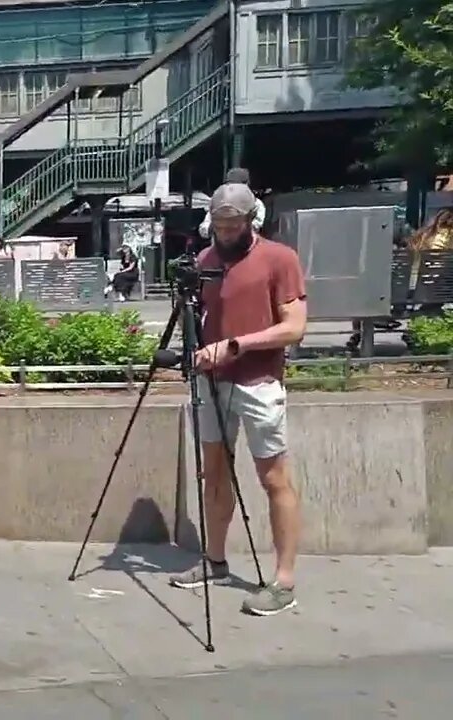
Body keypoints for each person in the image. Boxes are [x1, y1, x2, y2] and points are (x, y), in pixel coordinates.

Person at [168, 183, 307, 617]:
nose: (226, 234)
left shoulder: (279, 258)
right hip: (213, 382)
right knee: (214, 475)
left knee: (273, 479)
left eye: (234, 226)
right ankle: (215, 561)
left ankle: (284, 581)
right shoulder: (206, 261)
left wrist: (235, 346)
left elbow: (294, 327)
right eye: (220, 226)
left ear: (252, 221)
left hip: (259, 380)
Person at [198, 167, 266, 238]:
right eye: (230, 185)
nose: (233, 189)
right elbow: (204, 231)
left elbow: (256, 227)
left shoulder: (256, 204)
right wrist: (214, 226)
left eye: (237, 186)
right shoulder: (217, 202)